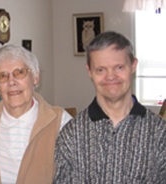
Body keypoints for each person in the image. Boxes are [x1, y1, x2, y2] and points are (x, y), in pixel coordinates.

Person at [54, 31, 166, 183]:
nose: (110, 77)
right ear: (90, 72)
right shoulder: (71, 134)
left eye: (119, 67)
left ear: (133, 66)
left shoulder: (159, 133)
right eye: (101, 70)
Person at [0, 44, 72, 184]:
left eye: (20, 72)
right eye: (3, 76)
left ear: (35, 78)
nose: (11, 82)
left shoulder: (60, 121)